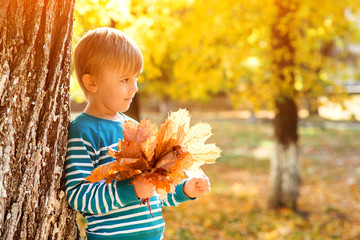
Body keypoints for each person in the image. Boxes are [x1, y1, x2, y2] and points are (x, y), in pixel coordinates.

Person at [65, 27, 210, 240]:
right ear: (91, 83)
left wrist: (185, 189)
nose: (134, 88)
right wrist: (130, 190)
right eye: (125, 80)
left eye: (136, 78)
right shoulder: (83, 131)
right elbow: (78, 196)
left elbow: (154, 188)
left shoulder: (135, 128)